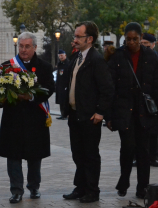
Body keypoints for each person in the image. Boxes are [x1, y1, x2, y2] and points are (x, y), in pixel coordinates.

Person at [106, 22, 158, 199]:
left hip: (144, 111)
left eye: (135, 39)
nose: (131, 42)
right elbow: (110, 89)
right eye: (128, 39)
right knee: (127, 147)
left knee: (143, 150)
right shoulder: (118, 57)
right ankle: (124, 181)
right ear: (124, 39)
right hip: (124, 110)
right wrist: (109, 116)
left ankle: (143, 187)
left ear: (141, 38)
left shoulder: (151, 57)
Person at [0, 32, 55, 204]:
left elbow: (50, 88)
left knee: (34, 156)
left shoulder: (44, 67)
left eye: (27, 46)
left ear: (35, 47)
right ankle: (16, 190)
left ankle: (34, 186)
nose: (23, 50)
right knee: (13, 157)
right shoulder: (7, 66)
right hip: (12, 120)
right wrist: (0, 99)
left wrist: (29, 97)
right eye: (21, 46)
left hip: (34, 118)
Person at [62, 21, 114, 203]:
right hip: (75, 114)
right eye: (74, 36)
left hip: (90, 116)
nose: (74, 39)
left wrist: (100, 112)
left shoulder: (96, 60)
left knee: (90, 154)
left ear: (89, 39)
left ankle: (92, 190)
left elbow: (107, 88)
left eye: (78, 36)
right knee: (78, 153)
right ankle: (80, 187)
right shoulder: (77, 57)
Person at [137, 33, 158, 168]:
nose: (144, 46)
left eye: (146, 44)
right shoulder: (136, 58)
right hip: (139, 98)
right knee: (137, 130)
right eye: (142, 43)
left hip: (154, 99)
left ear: (153, 45)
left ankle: (153, 157)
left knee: (153, 131)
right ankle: (137, 157)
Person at [54, 49, 69, 120]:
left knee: (65, 101)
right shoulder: (59, 64)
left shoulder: (68, 64)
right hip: (59, 85)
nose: (61, 57)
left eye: (62, 55)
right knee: (60, 101)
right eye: (59, 56)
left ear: (65, 55)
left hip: (65, 86)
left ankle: (65, 114)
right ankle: (62, 114)